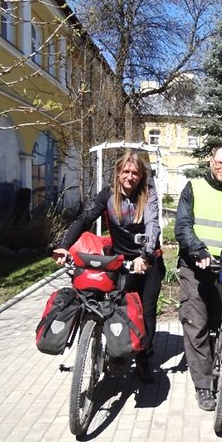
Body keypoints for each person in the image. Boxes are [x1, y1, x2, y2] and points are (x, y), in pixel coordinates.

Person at [53, 150, 164, 383]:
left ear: (141, 176)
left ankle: (144, 359)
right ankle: (118, 350)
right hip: (121, 260)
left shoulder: (148, 194)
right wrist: (64, 246)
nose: (130, 177)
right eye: (126, 171)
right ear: (118, 172)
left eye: (135, 173)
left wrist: (145, 256)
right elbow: (84, 219)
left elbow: (153, 225)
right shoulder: (107, 195)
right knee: (115, 306)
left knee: (146, 309)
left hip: (147, 259)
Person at [174, 145, 222, 411]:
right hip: (194, 267)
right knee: (197, 325)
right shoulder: (193, 188)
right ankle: (204, 387)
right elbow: (182, 225)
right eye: (220, 162)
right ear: (211, 161)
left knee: (221, 322)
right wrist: (197, 249)